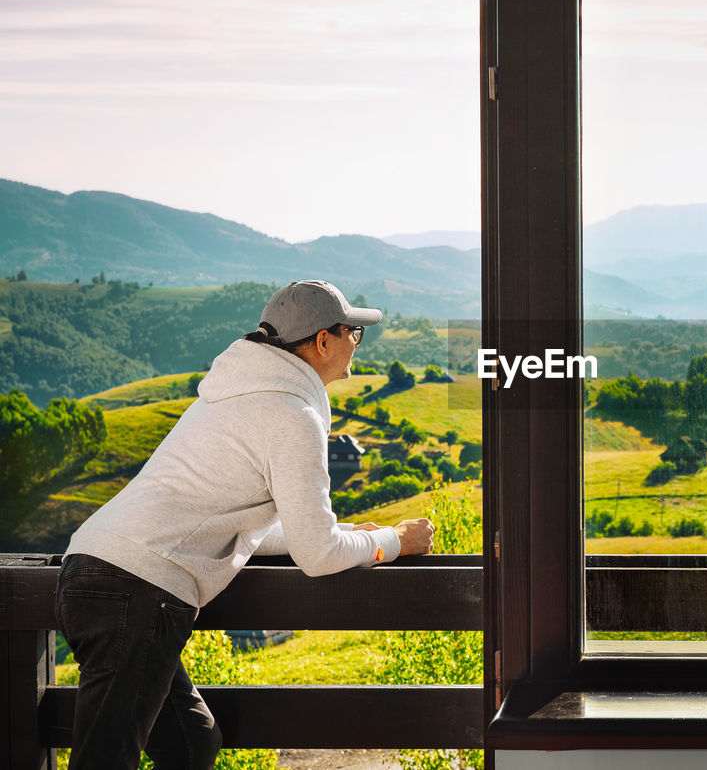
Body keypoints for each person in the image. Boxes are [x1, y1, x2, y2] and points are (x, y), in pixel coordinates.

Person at [55, 280, 436, 769]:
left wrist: (347, 535)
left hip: (99, 571)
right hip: (138, 590)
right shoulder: (292, 415)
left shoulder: (230, 395)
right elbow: (319, 557)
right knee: (105, 759)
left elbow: (260, 532)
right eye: (353, 332)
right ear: (323, 341)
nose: (356, 343)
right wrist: (392, 541)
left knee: (193, 745)